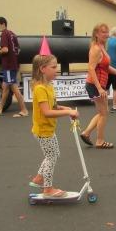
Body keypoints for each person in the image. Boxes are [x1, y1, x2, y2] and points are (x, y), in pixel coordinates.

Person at [28, 54, 79, 198]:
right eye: (54, 67)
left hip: (49, 129)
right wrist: (68, 112)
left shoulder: (49, 86)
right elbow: (46, 112)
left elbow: (53, 106)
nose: (56, 70)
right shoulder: (40, 89)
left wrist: (64, 108)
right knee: (51, 157)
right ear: (43, 69)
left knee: (54, 154)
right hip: (43, 130)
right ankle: (47, 189)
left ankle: (39, 178)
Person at [80, 23, 116, 149]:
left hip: (99, 85)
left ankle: (86, 133)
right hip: (96, 85)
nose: (106, 34)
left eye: (107, 32)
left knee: (102, 112)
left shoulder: (102, 46)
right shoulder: (95, 49)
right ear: (96, 34)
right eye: (103, 32)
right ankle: (99, 141)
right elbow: (91, 68)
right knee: (104, 113)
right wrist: (100, 88)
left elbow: (106, 67)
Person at [0, 16, 28, 117]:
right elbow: (18, 50)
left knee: (14, 88)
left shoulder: (4, 34)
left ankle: (24, 110)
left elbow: (5, 49)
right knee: (5, 87)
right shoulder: (12, 34)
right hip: (13, 64)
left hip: (8, 65)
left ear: (3, 24)